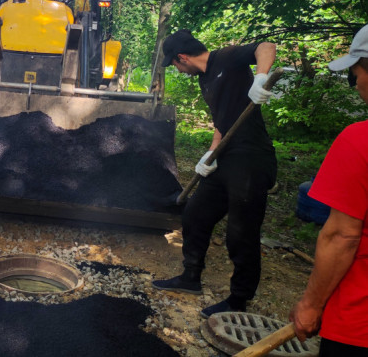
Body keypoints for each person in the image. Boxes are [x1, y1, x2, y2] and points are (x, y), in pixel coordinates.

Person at [152, 29, 277, 318]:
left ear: (182, 58)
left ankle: (238, 299)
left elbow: (266, 45)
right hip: (226, 156)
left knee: (241, 232)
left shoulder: (227, 58)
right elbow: (222, 123)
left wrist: (260, 77)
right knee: (195, 214)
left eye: (175, 65)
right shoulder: (204, 80)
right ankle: (190, 278)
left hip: (251, 158)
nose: (178, 70)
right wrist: (210, 154)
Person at [289, 24, 368, 356]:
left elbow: (341, 236)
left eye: (355, 75)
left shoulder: (359, 141)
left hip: (359, 323)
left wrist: (310, 305)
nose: (355, 85)